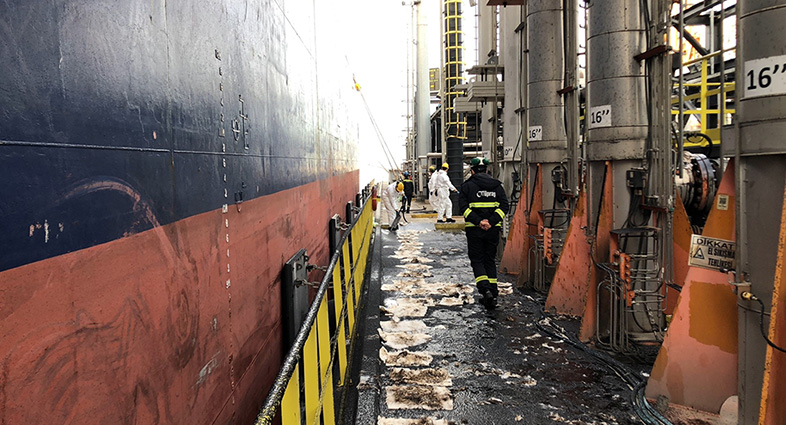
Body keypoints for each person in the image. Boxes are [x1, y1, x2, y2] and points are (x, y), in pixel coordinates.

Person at [459, 157, 509, 310]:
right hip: (492, 230)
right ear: (487, 170)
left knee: (477, 260)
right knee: (489, 259)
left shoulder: (467, 186)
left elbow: (463, 208)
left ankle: (485, 290)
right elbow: (504, 206)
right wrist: (491, 222)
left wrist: (479, 222)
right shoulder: (497, 186)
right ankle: (493, 293)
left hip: (474, 230)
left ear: (473, 171)